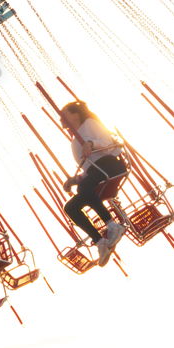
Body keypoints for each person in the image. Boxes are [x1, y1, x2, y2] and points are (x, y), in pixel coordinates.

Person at [59, 101, 127, 266]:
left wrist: (91, 143)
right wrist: (74, 180)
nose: (61, 118)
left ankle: (112, 226)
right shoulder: (75, 142)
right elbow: (89, 169)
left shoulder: (90, 123)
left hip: (111, 164)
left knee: (84, 187)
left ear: (75, 114)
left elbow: (107, 142)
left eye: (64, 114)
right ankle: (100, 243)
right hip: (97, 173)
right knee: (70, 207)